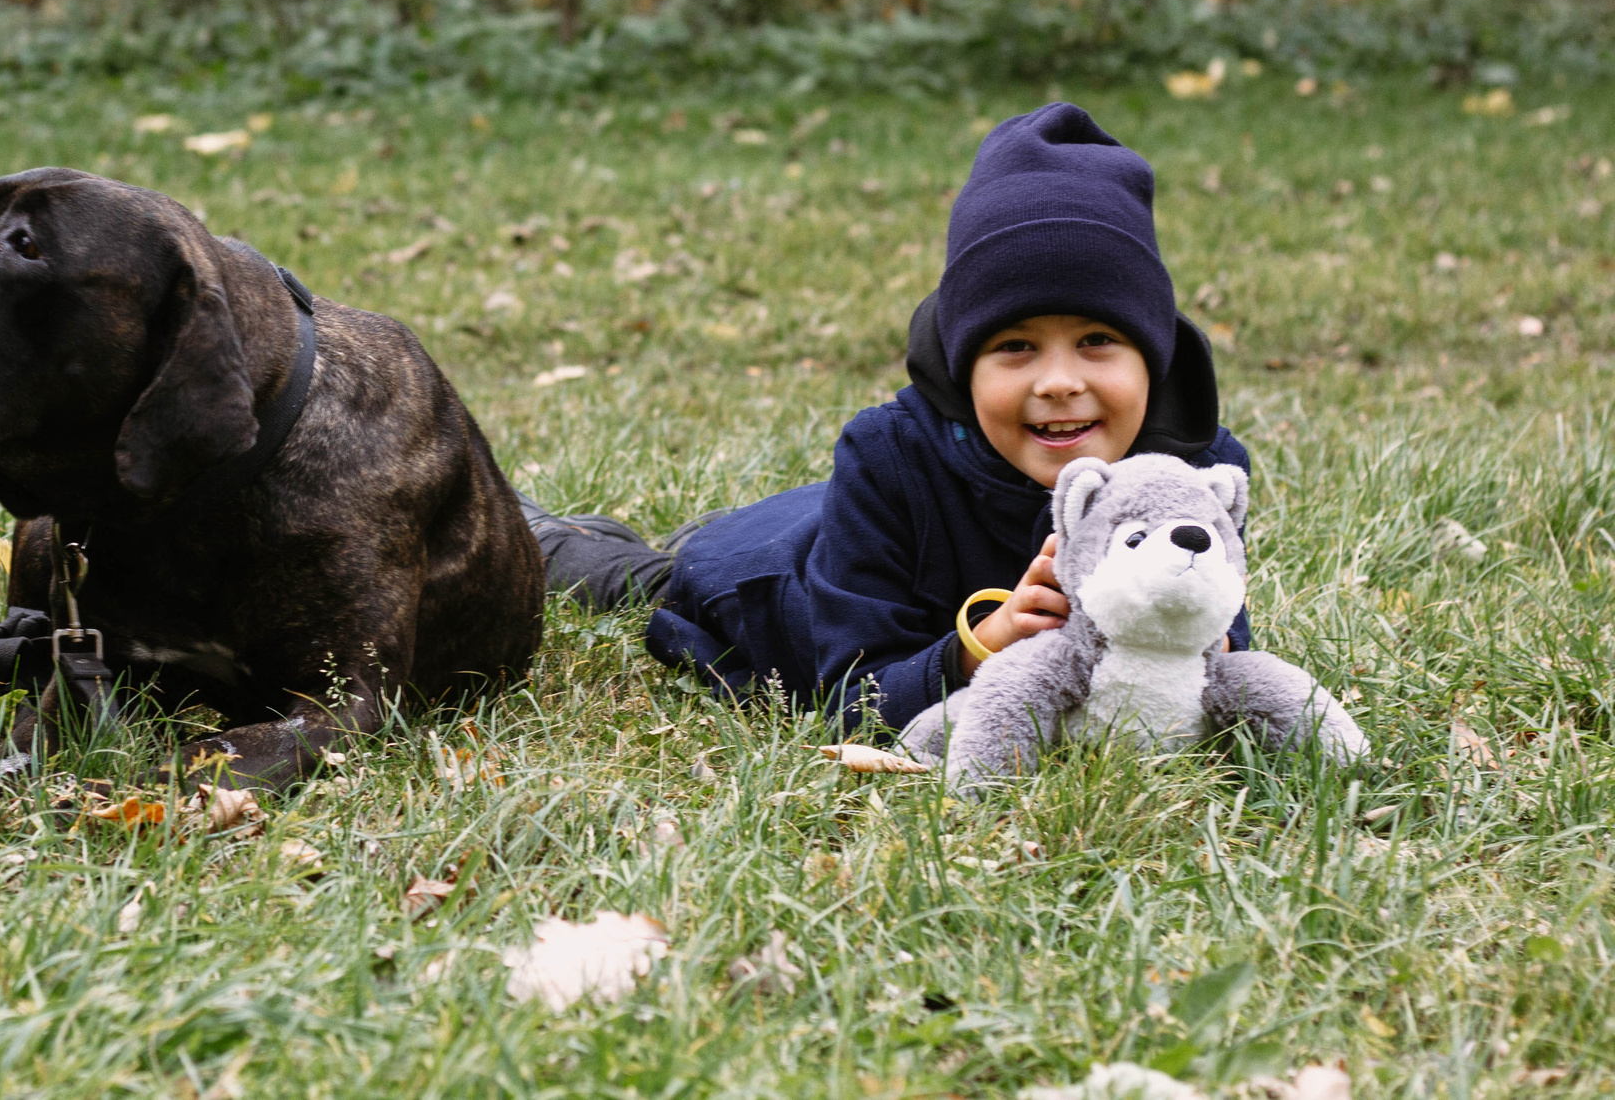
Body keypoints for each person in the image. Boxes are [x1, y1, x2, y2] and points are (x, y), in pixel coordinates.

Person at [524, 102, 1250, 732]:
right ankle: (552, 535)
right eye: (1015, 347)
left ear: (1154, 356)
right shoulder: (886, 456)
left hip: (840, 530)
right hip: (768, 585)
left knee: (808, 524)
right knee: (660, 574)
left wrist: (1208, 648)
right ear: (962, 366)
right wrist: (979, 646)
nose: (1059, 382)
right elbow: (854, 697)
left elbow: (1227, 643)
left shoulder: (1198, 472)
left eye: (1097, 341)